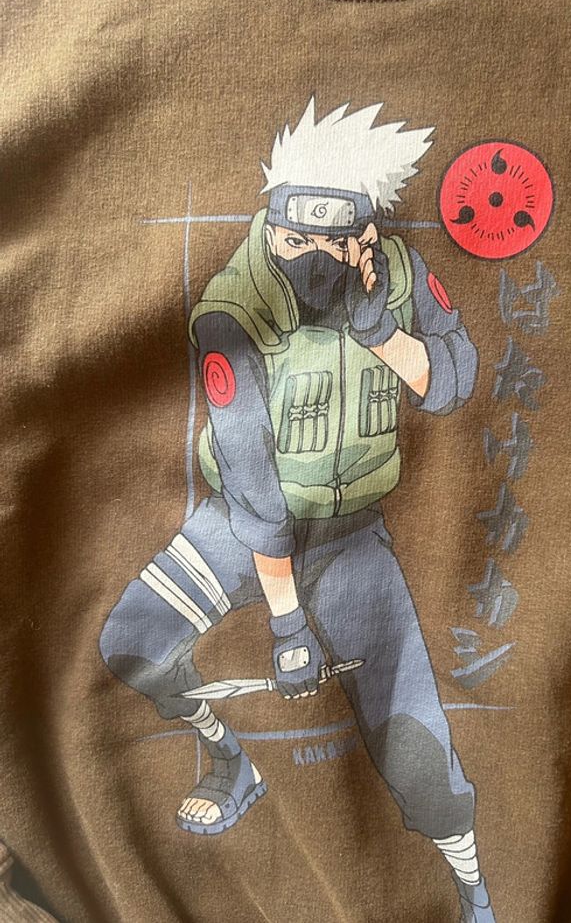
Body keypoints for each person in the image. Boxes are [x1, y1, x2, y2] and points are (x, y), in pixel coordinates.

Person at [99, 98, 495, 923]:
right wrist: (286, 627)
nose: (308, 258)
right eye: (290, 237)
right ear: (271, 224)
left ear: (366, 234)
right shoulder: (233, 307)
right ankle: (228, 758)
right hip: (240, 527)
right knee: (133, 643)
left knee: (416, 745)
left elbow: (454, 382)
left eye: (332, 241)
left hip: (354, 540)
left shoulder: (399, 273)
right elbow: (254, 487)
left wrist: (383, 334)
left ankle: (472, 890)